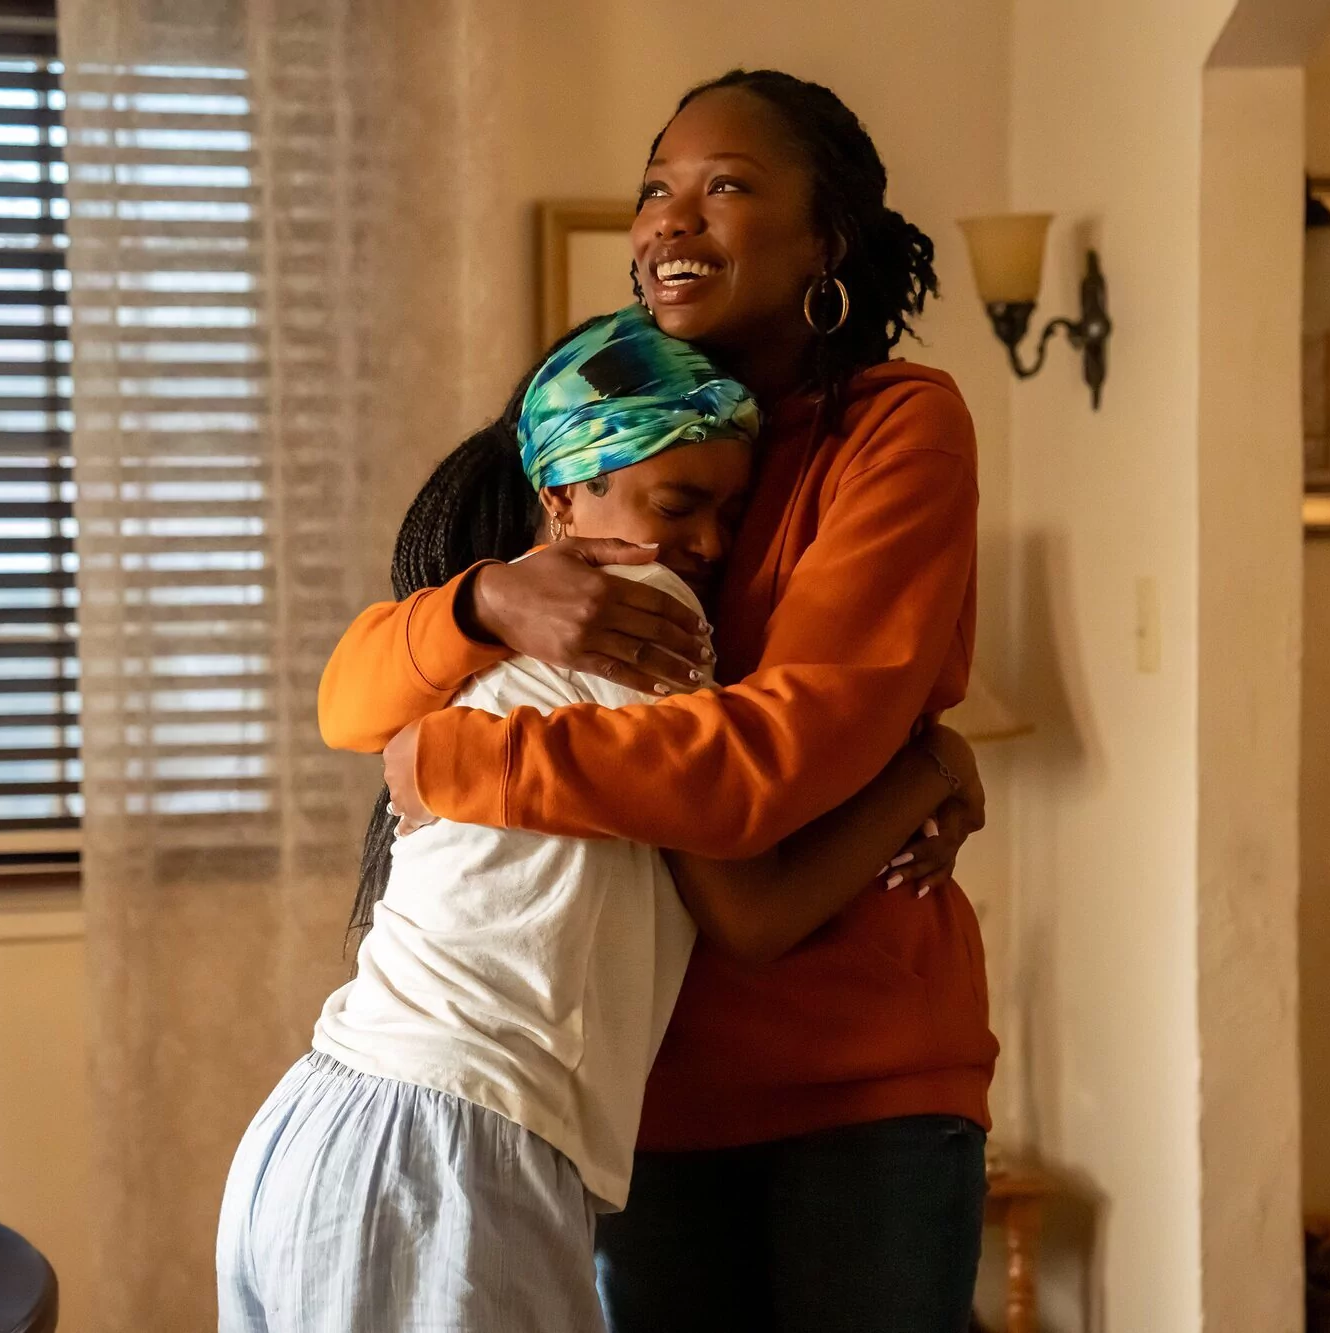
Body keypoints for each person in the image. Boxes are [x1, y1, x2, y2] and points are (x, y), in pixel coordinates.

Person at [323, 69, 997, 1333]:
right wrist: (485, 603)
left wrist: (465, 761)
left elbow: (765, 764)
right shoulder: (607, 424)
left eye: (725, 186)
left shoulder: (894, 428)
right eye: (654, 190)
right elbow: (354, 701)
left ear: (825, 240)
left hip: (857, 1084)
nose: (669, 221)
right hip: (636, 1091)